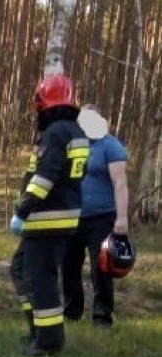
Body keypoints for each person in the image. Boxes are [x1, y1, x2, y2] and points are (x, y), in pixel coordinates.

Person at [8, 73, 90, 356]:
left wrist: (24, 206)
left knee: (39, 279)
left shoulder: (55, 133)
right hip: (61, 217)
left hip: (47, 218)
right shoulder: (75, 131)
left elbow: (46, 175)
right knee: (20, 270)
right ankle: (37, 331)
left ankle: (49, 342)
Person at [62, 104, 129, 328]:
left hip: (101, 218)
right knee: (69, 265)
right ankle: (72, 311)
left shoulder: (110, 147)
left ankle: (102, 317)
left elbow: (120, 183)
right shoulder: (75, 145)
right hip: (73, 216)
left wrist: (122, 218)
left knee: (100, 268)